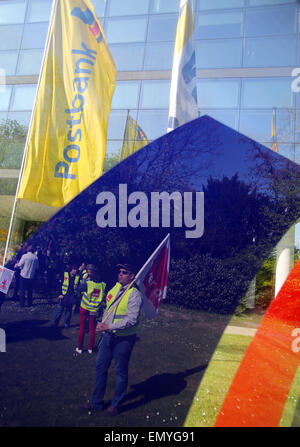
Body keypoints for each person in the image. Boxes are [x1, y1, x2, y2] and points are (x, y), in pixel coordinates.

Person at [81, 262, 142, 416]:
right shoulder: (114, 288)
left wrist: (108, 327)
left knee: (120, 371)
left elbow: (132, 320)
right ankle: (96, 402)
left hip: (124, 339)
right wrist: (103, 324)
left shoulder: (134, 294)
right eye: (120, 271)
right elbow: (109, 309)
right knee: (100, 368)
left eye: (124, 272)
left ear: (132, 276)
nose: (120, 274)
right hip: (108, 337)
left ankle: (115, 404)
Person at [75, 265, 106, 354]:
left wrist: (84, 279)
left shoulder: (88, 283)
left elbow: (79, 289)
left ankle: (80, 348)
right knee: (92, 329)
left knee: (82, 327)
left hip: (84, 307)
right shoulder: (103, 285)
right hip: (94, 310)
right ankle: (90, 349)